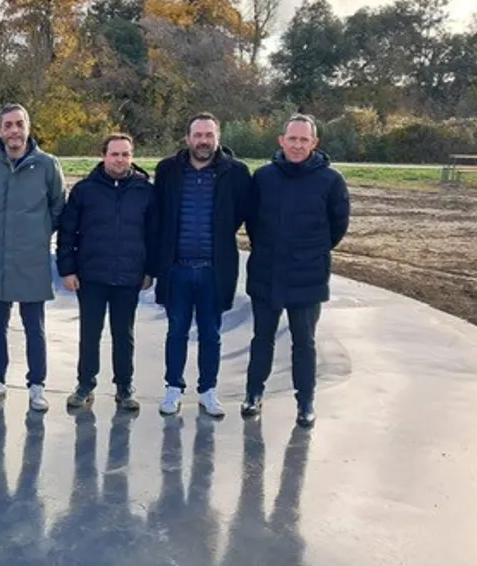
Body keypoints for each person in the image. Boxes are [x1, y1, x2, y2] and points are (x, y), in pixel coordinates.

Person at [241, 114, 350, 428]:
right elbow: (253, 223)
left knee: (304, 342)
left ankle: (305, 402)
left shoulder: (331, 180)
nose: (298, 145)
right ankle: (253, 394)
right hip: (266, 272)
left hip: (307, 276)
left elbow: (337, 226)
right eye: (293, 139)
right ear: (281, 140)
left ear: (314, 143)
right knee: (262, 338)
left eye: (305, 140)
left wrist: (311, 251)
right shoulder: (263, 177)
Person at [152, 112, 252, 418]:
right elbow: (158, 217)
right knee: (176, 331)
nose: (203, 141)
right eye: (198, 135)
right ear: (187, 138)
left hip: (214, 270)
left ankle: (208, 390)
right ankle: (173, 388)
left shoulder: (236, 172)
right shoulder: (168, 170)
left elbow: (242, 214)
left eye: (209, 135)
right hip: (177, 268)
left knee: (211, 334)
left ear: (218, 138)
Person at [0, 103, 66, 411]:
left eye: (19, 124)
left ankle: (37, 384)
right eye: (8, 125)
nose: (14, 130)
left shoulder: (48, 165)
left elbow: (57, 209)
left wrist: (35, 235)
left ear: (28, 127)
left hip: (31, 259)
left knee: (33, 325)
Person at [56, 133, 158, 412]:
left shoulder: (145, 191)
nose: (120, 159)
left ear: (132, 157)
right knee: (90, 332)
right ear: (104, 155)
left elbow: (153, 235)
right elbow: (67, 233)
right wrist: (67, 269)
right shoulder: (84, 190)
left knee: (123, 334)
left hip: (129, 276)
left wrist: (149, 270)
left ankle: (124, 388)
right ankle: (85, 384)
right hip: (91, 276)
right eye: (115, 154)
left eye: (125, 154)